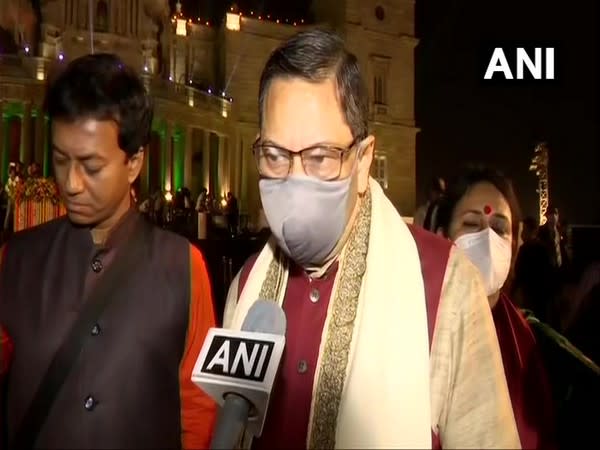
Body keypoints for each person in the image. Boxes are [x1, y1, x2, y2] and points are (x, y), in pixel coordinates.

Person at [223, 29, 520, 449]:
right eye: (275, 156)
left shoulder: (445, 287)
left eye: (320, 157)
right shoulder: (247, 287)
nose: (293, 179)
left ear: (363, 161)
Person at [0, 54, 216, 449]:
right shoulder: (15, 260)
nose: (71, 183)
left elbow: (198, 408)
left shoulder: (185, 266)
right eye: (61, 160)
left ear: (134, 162)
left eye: (92, 166)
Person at [434, 166, 557, 450]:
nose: (487, 239)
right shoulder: (416, 327)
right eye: (472, 224)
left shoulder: (524, 340)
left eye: (500, 228)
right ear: (442, 237)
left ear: (514, 244)